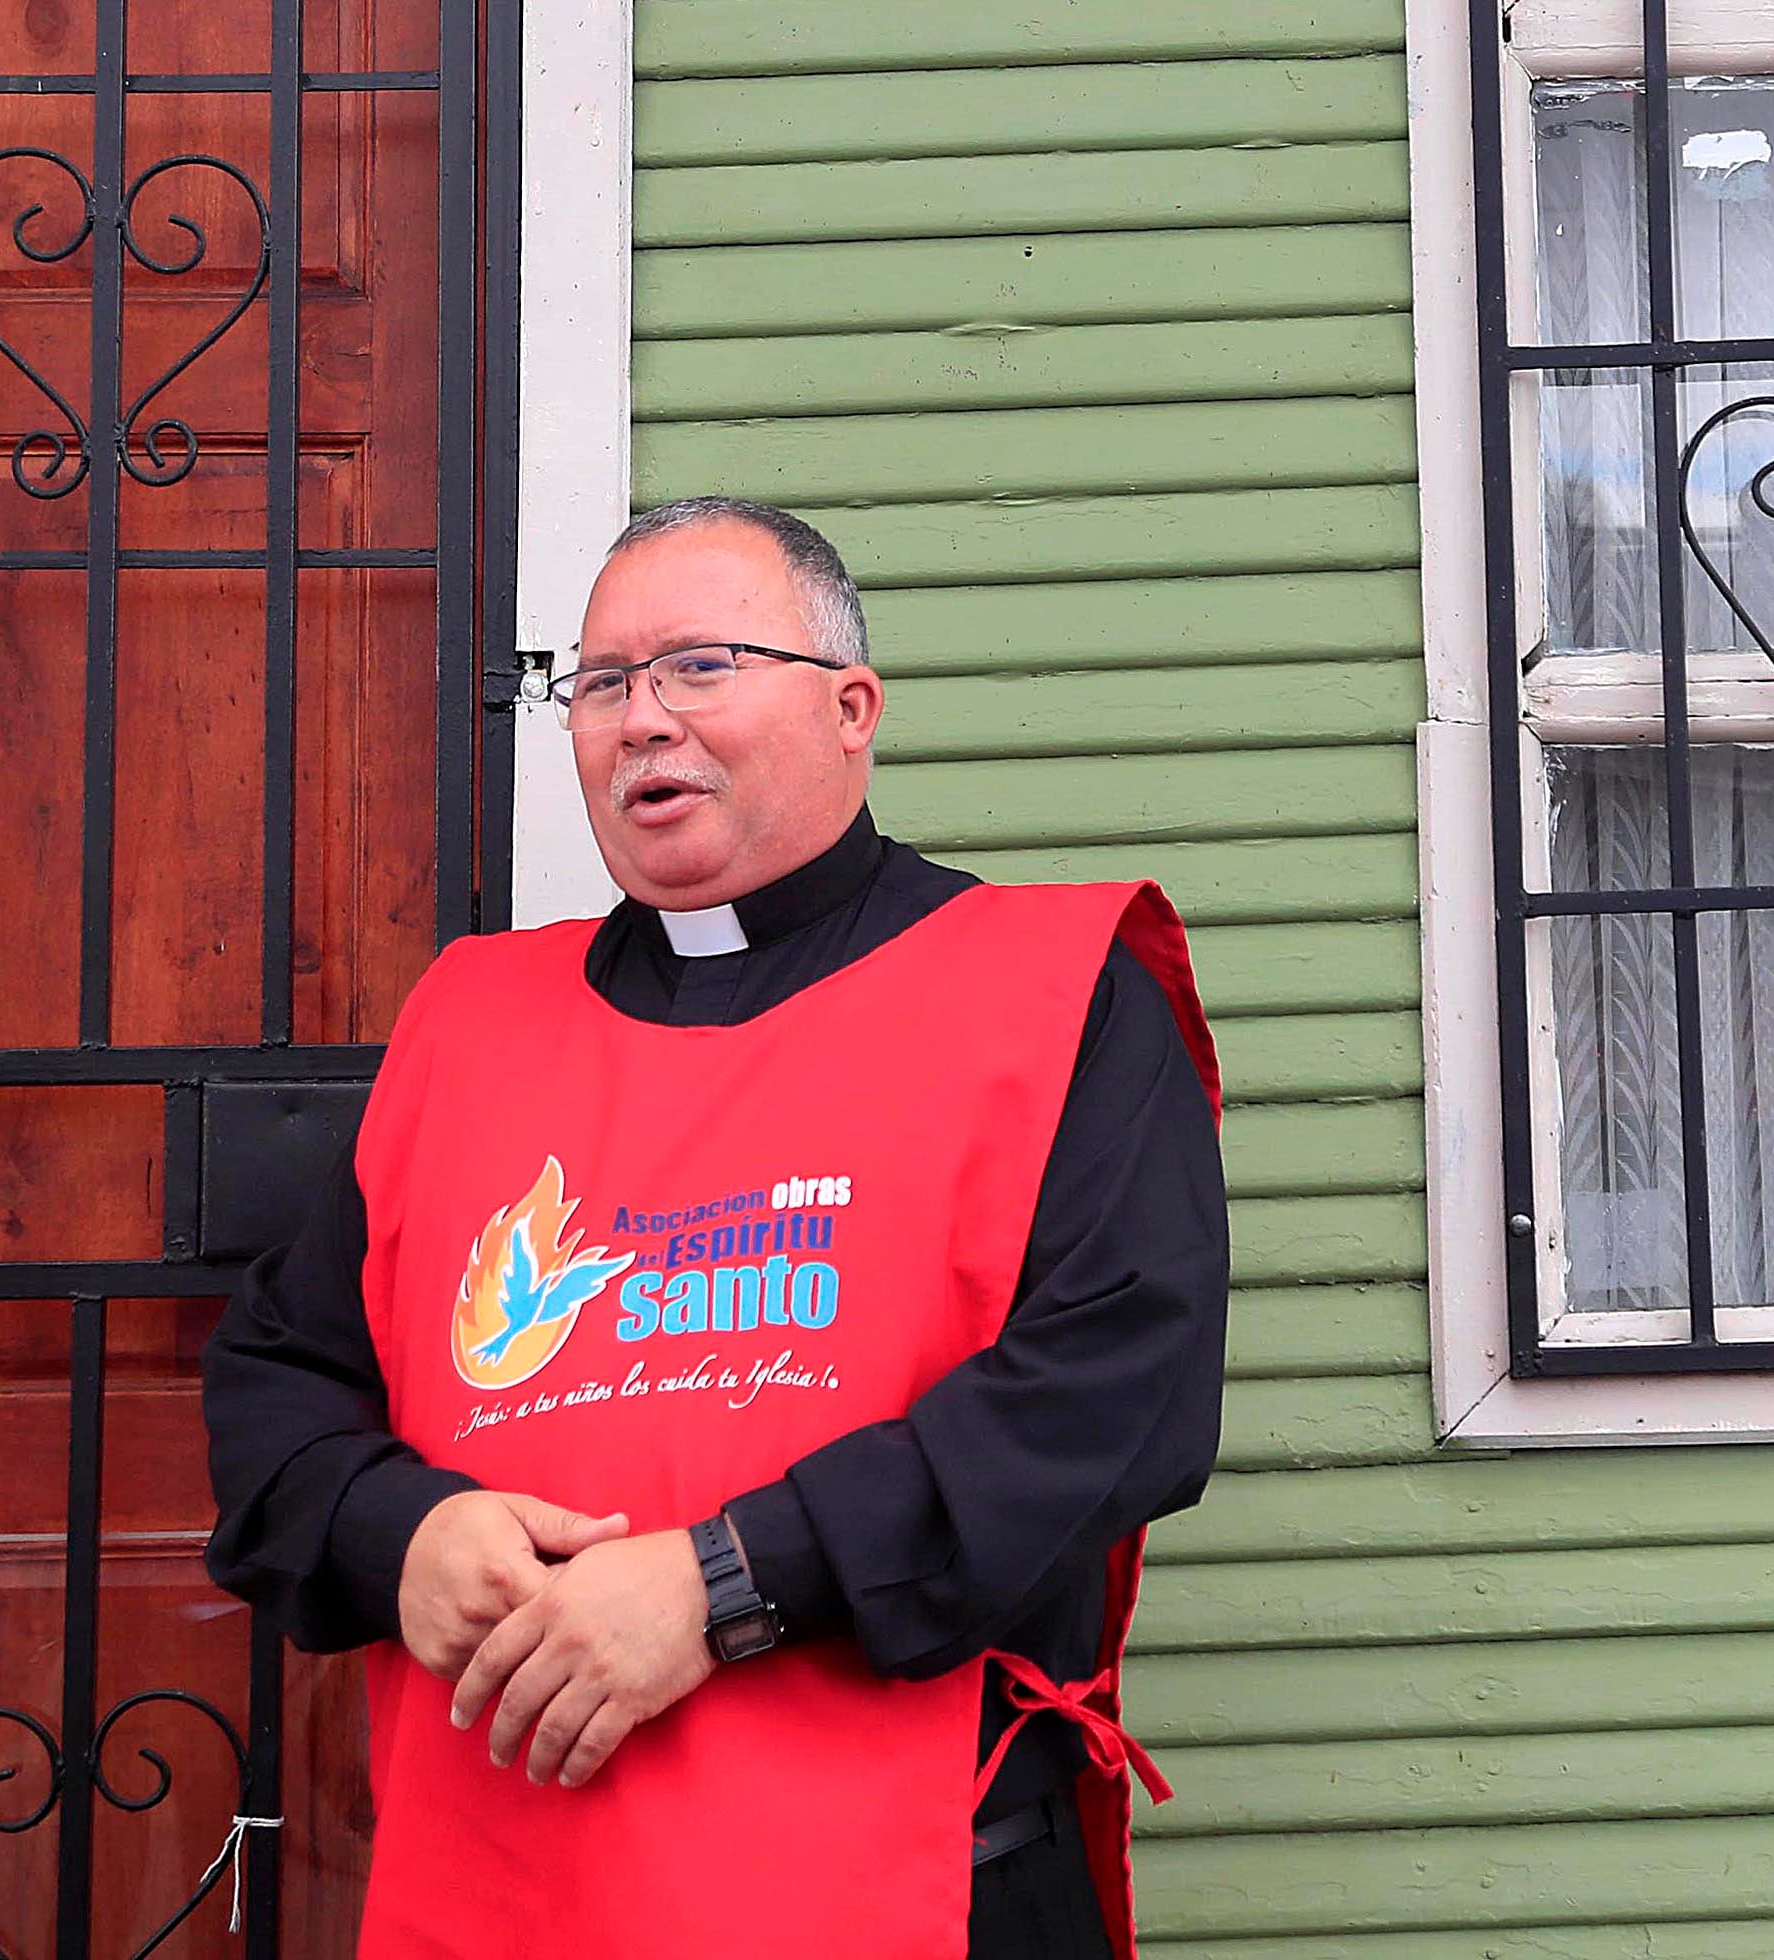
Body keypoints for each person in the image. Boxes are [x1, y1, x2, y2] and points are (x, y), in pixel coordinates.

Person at [203, 496, 1227, 1960]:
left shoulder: (1052, 992)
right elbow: (279, 1379)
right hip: (505, 1893)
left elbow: (1118, 1397)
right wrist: (399, 1532)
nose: (639, 721)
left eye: (699, 667)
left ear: (852, 707)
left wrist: (721, 1585)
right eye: (603, 682)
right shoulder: (467, 1025)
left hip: (915, 1891)